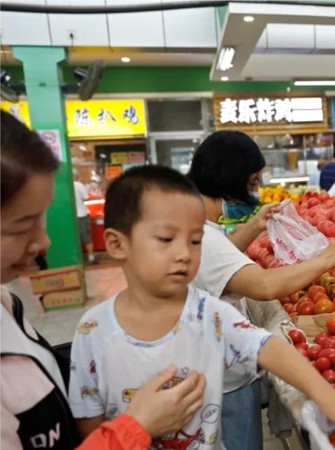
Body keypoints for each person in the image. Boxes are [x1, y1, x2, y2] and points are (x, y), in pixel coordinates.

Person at [67, 166, 335, 449]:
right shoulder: (93, 332)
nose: (185, 254)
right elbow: (89, 423)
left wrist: (324, 392)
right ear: (118, 244)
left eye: (196, 241)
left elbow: (267, 347)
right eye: (166, 239)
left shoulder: (207, 312)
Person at [0, 110, 207, 450]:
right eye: (22, 226)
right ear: (117, 243)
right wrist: (135, 428)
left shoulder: (9, 305)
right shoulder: (93, 329)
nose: (45, 242)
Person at [186, 131, 335, 450]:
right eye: (252, 182)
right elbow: (265, 286)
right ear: (228, 180)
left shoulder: (200, 227)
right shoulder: (201, 236)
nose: (257, 190)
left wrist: (253, 226)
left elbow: (217, 264)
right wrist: (325, 258)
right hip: (223, 385)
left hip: (215, 372)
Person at [74, 169, 96, 264]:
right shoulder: (79, 185)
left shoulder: (64, 186)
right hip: (81, 214)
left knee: (74, 238)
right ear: (76, 175)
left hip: (70, 216)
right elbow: (86, 198)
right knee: (86, 237)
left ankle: (76, 260)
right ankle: (91, 258)